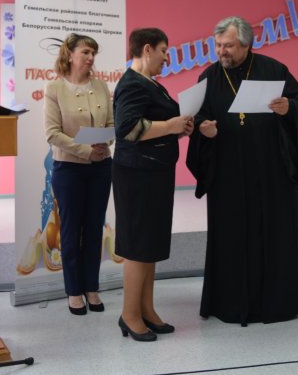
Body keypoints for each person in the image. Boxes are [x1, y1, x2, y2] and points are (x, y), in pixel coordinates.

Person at [187, 16, 298, 326]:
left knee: (274, 233)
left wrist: (289, 108)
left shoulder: (274, 69)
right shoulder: (209, 76)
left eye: (228, 45)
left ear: (245, 44)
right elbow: (196, 116)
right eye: (218, 45)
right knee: (231, 237)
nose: (221, 51)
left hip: (272, 171)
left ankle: (277, 302)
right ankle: (229, 302)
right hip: (227, 173)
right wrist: (203, 129)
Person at [112, 28, 193, 341]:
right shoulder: (132, 83)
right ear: (147, 49)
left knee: (150, 245)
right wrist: (170, 125)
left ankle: (146, 309)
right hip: (137, 174)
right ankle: (129, 315)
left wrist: (180, 128)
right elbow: (127, 129)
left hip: (155, 171)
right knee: (137, 246)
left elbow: (158, 126)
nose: (166, 58)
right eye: (163, 51)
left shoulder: (152, 84)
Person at [44, 34, 114, 315]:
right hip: (69, 169)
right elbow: (52, 133)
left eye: (93, 53)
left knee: (95, 229)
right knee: (71, 230)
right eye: (85, 52)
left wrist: (105, 143)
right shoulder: (54, 88)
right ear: (70, 54)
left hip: (102, 166)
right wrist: (86, 151)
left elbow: (111, 124)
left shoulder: (101, 86)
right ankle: (74, 291)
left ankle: (91, 288)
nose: (90, 58)